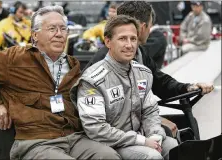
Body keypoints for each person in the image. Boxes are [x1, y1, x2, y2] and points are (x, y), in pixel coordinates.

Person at [0, 5, 120, 160]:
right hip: (36, 140)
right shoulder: (15, 58)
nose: (59, 34)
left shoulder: (73, 65)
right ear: (35, 35)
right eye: (52, 29)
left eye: (63, 29)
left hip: (73, 137)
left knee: (109, 155)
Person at [83, 1, 214, 137]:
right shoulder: (103, 62)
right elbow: (113, 112)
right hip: (114, 131)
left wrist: (188, 88)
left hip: (133, 123)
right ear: (143, 27)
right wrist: (156, 123)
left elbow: (160, 82)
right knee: (173, 131)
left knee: (186, 125)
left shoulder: (140, 53)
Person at [71, 15, 178, 160]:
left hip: (141, 137)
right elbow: (95, 128)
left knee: (174, 147)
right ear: (108, 42)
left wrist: (156, 134)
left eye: (133, 39)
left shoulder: (143, 73)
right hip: (110, 145)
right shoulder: (92, 80)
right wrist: (142, 141)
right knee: (152, 157)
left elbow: (150, 111)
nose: (129, 45)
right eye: (122, 39)